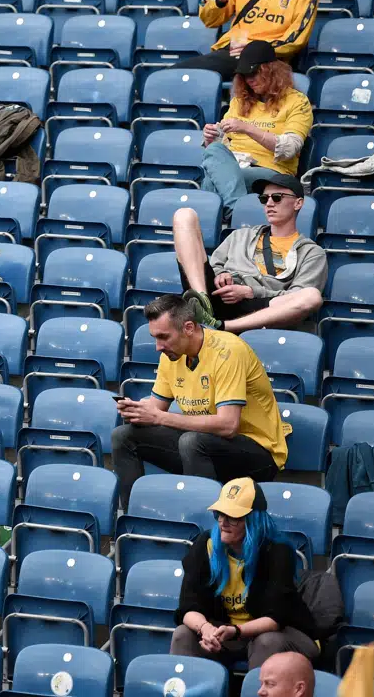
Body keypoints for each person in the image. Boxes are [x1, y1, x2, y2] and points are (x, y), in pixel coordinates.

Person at [112, 295, 290, 505]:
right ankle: (134, 518)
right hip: (203, 449)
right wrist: (136, 411)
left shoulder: (228, 351)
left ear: (188, 328)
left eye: (163, 337)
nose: (158, 347)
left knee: (192, 441)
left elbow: (228, 425)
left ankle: (200, 525)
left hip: (258, 452)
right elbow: (155, 409)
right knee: (123, 436)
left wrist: (159, 417)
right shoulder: (171, 356)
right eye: (155, 338)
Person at [172, 478, 320, 668]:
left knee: (266, 642)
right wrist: (207, 629)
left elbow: (275, 618)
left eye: (233, 517)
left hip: (283, 633)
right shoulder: (205, 545)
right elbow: (187, 606)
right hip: (227, 631)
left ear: (253, 520)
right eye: (219, 514)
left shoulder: (276, 551)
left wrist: (235, 631)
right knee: (183, 634)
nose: (223, 522)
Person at [175, 174, 326, 334]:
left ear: (298, 203)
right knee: (184, 215)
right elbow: (215, 265)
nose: (269, 203)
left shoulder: (312, 252)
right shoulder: (240, 235)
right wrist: (222, 274)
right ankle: (202, 303)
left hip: (260, 308)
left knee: (312, 296)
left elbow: (296, 296)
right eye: (264, 198)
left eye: (277, 198)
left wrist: (251, 291)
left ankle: (222, 326)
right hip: (218, 296)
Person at [198, 41, 314, 210]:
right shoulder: (239, 101)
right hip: (235, 164)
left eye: (254, 73)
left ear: (272, 71)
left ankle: (233, 212)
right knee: (214, 150)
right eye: (245, 75)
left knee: (210, 182)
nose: (249, 79)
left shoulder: (297, 101)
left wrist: (247, 128)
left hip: (272, 170)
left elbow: (290, 148)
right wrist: (212, 138)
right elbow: (223, 148)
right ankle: (237, 211)